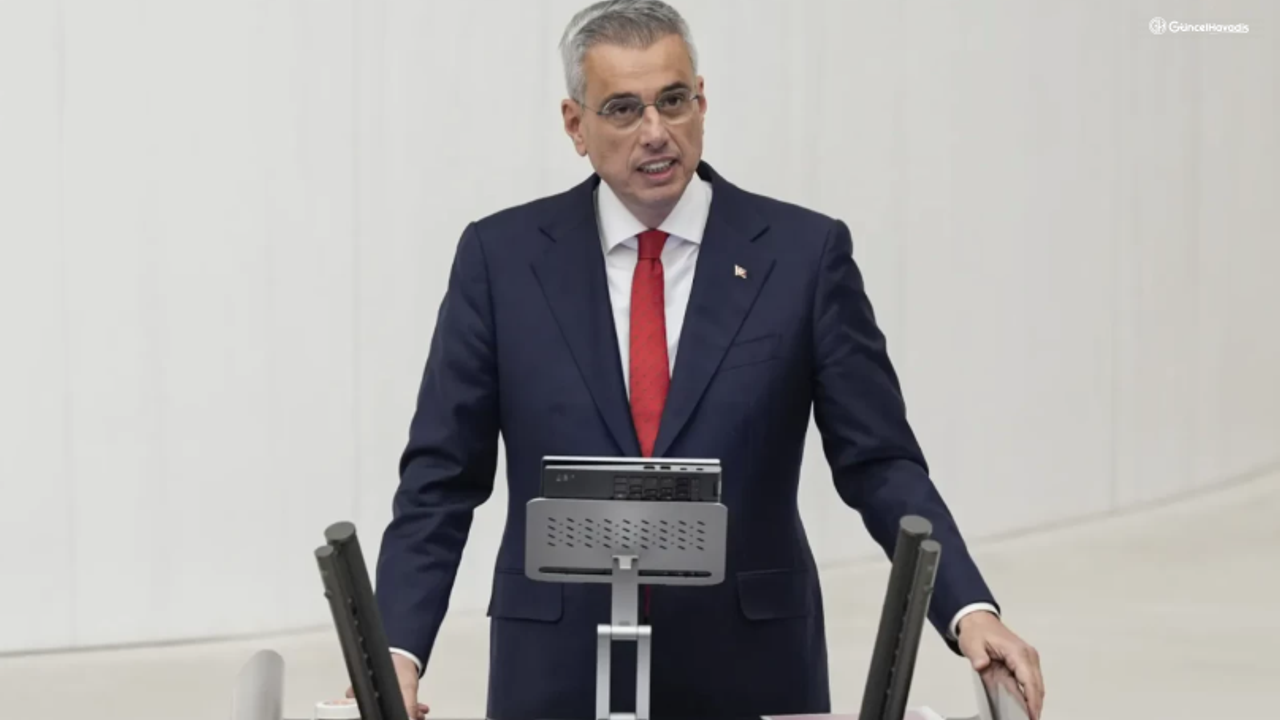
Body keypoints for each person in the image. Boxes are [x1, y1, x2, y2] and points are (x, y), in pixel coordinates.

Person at [370, 1, 1045, 719]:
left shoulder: (803, 256)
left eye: (673, 100)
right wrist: (395, 655)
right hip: (558, 670)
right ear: (575, 125)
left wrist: (968, 609)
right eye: (623, 109)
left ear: (702, 100)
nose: (655, 131)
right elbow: (441, 480)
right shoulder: (501, 261)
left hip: (750, 668)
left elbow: (880, 462)